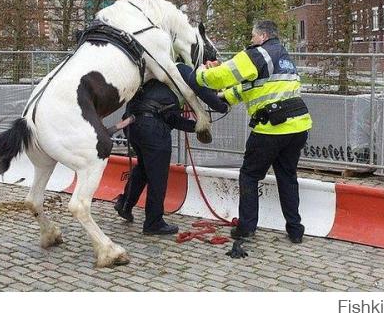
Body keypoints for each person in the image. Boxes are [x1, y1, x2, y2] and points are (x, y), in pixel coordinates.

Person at [195, 20, 312, 243]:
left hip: (271, 129)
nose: (251, 40)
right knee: (287, 177)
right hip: (298, 127)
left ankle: (246, 228)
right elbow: (253, 88)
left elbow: (221, 76)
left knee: (249, 175)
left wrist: (201, 74)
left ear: (263, 36)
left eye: (252, 36)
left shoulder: (259, 54)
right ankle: (295, 229)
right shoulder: (283, 57)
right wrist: (224, 97)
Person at [114, 63, 228, 235]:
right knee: (157, 176)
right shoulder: (183, 69)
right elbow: (204, 92)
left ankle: (125, 204)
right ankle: (153, 223)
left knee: (143, 169)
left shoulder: (162, 76)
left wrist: (196, 127)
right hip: (152, 127)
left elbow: (171, 117)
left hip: (133, 123)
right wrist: (223, 106)